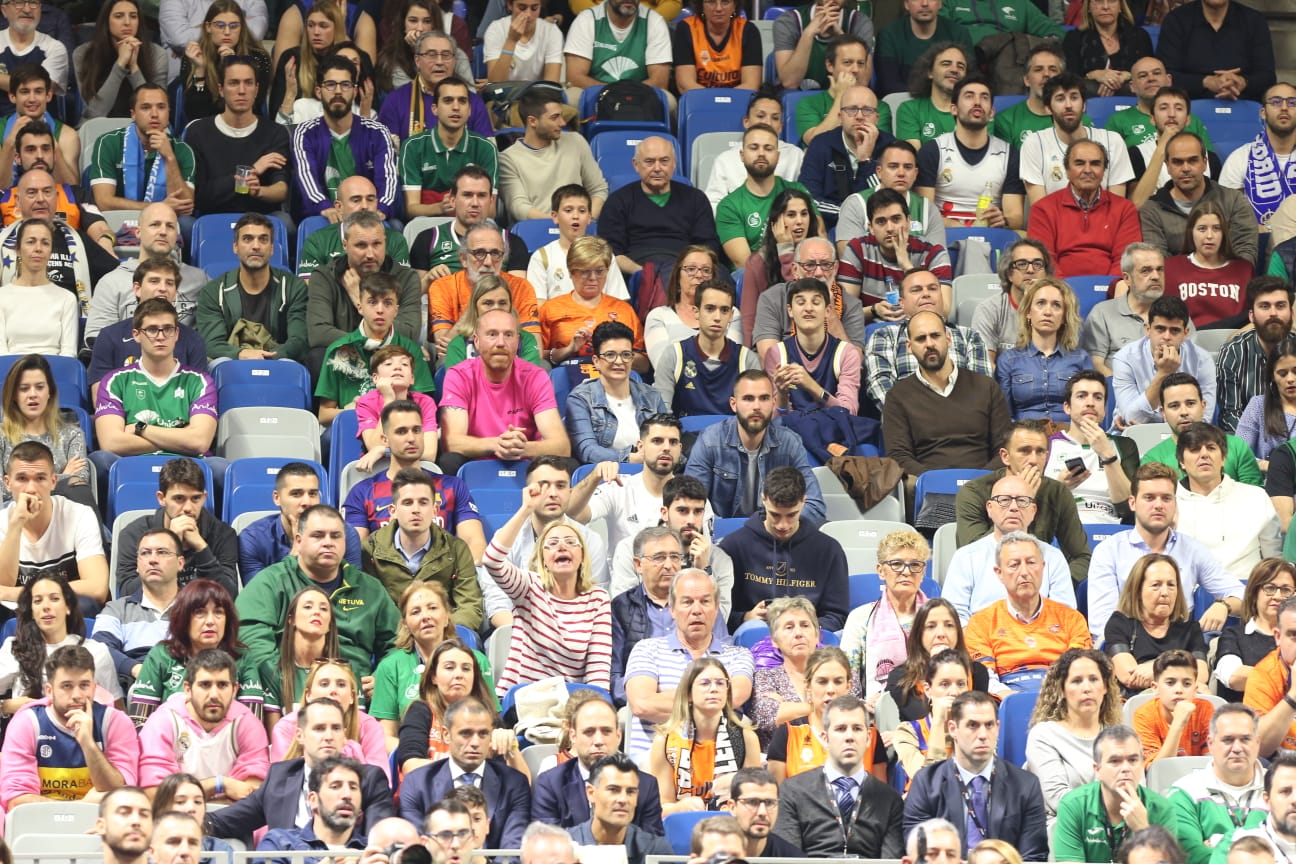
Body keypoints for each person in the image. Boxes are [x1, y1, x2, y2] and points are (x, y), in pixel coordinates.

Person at [235, 505, 401, 687]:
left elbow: (399, 643)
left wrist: (382, 678)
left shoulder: (370, 588)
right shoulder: (270, 582)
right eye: (318, 535)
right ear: (298, 541)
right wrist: (292, 682)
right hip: (286, 694)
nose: (328, 542)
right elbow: (250, 641)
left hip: (356, 695)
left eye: (336, 536)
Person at [1087, 462, 1244, 643]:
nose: (1159, 505)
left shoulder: (1192, 550)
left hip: (1179, 649)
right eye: (1149, 497)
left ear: (1175, 504)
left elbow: (1242, 594)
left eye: (1166, 498)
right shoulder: (1109, 551)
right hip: (1124, 645)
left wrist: (1224, 605)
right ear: (1132, 503)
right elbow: (1102, 623)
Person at [483, 484, 612, 696]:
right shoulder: (529, 587)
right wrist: (525, 509)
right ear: (542, 560)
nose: (562, 547)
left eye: (571, 542)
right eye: (552, 543)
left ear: (581, 557)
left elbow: (598, 671)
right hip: (520, 702)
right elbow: (492, 560)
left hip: (568, 704)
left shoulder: (597, 599)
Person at [623, 568, 753, 759]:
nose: (697, 610)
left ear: (716, 608)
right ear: (672, 609)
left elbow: (736, 696)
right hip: (654, 765)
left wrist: (666, 697)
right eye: (687, 602)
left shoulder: (738, 655)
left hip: (717, 765)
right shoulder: (647, 649)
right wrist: (711, 698)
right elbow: (642, 704)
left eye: (705, 602)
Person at [903, 690, 1049, 858]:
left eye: (989, 725)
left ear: (998, 728)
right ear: (953, 728)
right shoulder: (926, 783)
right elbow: (918, 854)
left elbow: (1033, 856)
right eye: (972, 725)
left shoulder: (1025, 785)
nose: (983, 735)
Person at [343, 399, 486, 560]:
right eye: (402, 431)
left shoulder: (453, 486)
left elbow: (475, 542)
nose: (411, 438)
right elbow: (355, 554)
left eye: (417, 430)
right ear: (385, 440)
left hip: (443, 580)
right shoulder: (362, 492)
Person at [768, 693, 903, 856]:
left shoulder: (889, 799)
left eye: (857, 728)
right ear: (824, 738)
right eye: (840, 729)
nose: (849, 737)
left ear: (868, 738)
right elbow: (787, 858)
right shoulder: (792, 792)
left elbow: (891, 860)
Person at [882, 310, 1012, 478]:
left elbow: (1004, 448)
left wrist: (977, 484)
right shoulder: (897, 396)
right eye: (921, 338)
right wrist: (937, 482)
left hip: (983, 487)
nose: (929, 344)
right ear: (909, 347)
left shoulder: (986, 387)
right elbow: (899, 456)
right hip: (928, 487)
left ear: (948, 339)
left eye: (935, 335)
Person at [684, 370, 825, 524]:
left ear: (773, 402)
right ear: (733, 404)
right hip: (722, 538)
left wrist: (774, 524)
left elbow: (814, 507)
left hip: (775, 537)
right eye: (748, 399)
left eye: (764, 398)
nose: (756, 406)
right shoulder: (710, 441)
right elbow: (691, 505)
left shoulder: (790, 443)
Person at [437, 309, 569, 473]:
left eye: (508, 335)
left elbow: (561, 446)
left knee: (568, 465)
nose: (501, 342)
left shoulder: (535, 376)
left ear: (517, 341)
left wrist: (522, 448)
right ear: (476, 341)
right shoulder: (459, 375)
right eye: (492, 334)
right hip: (476, 459)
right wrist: (497, 444)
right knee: (449, 461)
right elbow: (452, 442)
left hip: (525, 460)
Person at [963, 531, 1092, 694]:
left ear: (1043, 567)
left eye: (1031, 563)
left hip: (1062, 700)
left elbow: (1079, 671)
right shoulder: (981, 622)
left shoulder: (1071, 619)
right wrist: (1016, 702)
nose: (1024, 572)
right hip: (1004, 706)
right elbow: (986, 679)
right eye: (1014, 564)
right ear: (999, 573)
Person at [604, 474, 733, 636]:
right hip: (644, 642)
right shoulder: (631, 549)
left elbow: (719, 625)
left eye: (698, 512)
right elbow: (624, 615)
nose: (691, 520)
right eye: (683, 511)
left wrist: (703, 572)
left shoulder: (720, 561)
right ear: (664, 513)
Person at [126, 578, 265, 724]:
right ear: (183, 618)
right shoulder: (161, 655)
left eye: (218, 612)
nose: (210, 621)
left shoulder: (242, 657)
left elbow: (253, 723)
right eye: (200, 613)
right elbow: (140, 722)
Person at [136, 648, 269, 800]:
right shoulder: (164, 721)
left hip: (232, 820)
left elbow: (253, 791)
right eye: (205, 685)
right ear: (187, 688)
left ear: (234, 690)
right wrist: (219, 784)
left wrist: (184, 794)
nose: (214, 695)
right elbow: (154, 794)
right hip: (174, 819)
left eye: (222, 685)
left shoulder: (247, 723)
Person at [398, 697, 531, 848]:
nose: (475, 743)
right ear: (446, 735)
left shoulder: (514, 783)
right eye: (466, 734)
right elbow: (420, 848)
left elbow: (512, 851)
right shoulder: (417, 783)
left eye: (483, 734)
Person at [945, 475, 1077, 622]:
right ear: (989, 508)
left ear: (1033, 511)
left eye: (1022, 501)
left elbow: (1065, 616)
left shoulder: (1053, 557)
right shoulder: (966, 557)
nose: (1013, 507)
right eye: (1004, 500)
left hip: (1042, 640)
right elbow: (954, 617)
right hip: (981, 641)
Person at [371, 583, 494, 738]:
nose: (425, 616)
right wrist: (414, 752)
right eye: (416, 612)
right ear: (405, 624)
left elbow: (492, 725)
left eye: (433, 608)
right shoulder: (390, 666)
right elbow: (386, 737)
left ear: (447, 617)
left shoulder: (476, 660)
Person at [360, 467, 480, 622]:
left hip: (443, 636)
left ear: (435, 509)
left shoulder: (457, 549)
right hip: (390, 639)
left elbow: (470, 606)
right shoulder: (370, 550)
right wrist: (404, 634)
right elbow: (368, 607)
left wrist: (440, 631)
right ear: (393, 511)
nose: (416, 510)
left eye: (423, 503)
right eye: (408, 503)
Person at [314, 273, 433, 428]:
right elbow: (324, 415)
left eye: (388, 303)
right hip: (353, 426)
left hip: (399, 427)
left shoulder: (411, 350)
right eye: (372, 302)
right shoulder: (339, 350)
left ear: (396, 310)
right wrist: (352, 412)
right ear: (360, 307)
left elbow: (422, 409)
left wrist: (373, 408)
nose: (380, 310)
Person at [1051, 725, 1184, 862]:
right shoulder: (1073, 805)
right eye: (1115, 761)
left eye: (1133, 760)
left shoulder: (1162, 809)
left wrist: (1143, 831)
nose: (1126, 768)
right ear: (1097, 769)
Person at [533, 695, 664, 832]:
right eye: (589, 732)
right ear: (573, 736)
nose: (598, 741)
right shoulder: (550, 783)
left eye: (606, 731)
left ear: (618, 736)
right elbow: (547, 843)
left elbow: (654, 846)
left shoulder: (646, 785)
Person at [0, 444, 108, 610]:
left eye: (40, 478)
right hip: (16, 614)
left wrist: (18, 593)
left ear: (53, 481)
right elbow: (3, 583)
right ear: (8, 483)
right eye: (22, 478)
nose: (31, 489)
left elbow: (98, 588)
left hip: (65, 613)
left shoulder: (79, 515)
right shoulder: (3, 522)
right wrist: (15, 526)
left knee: (86, 605)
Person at [598, 137, 721, 281]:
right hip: (638, 268)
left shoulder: (695, 198)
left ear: (674, 164)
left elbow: (708, 246)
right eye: (649, 162)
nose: (657, 168)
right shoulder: (617, 201)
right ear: (636, 165)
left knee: (722, 278)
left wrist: (691, 271)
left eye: (664, 161)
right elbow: (611, 253)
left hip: (688, 266)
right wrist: (643, 273)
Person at [290, 56, 396, 222]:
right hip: (323, 215)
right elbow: (306, 177)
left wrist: (382, 209)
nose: (338, 91)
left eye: (345, 85)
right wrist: (324, 207)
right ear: (319, 91)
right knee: (312, 223)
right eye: (330, 84)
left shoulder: (377, 132)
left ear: (354, 91)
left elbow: (388, 179)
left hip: (367, 214)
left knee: (394, 226)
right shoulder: (305, 133)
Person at [648, 655, 760, 813]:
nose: (714, 688)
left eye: (721, 683)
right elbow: (660, 808)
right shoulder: (665, 740)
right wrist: (680, 807)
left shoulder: (746, 737)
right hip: (684, 827)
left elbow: (754, 800)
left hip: (730, 827)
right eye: (705, 683)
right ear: (688, 694)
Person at [113, 457, 237, 598]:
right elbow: (128, 593)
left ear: (204, 497)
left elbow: (229, 596)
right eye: (179, 499)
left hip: (202, 613)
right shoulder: (134, 533)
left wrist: (202, 549)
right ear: (161, 498)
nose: (188, 508)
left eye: (196, 498)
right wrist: (168, 546)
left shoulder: (223, 534)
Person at [1174, 421, 1282, 582]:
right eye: (1195, 449)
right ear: (1182, 462)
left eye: (1211, 448)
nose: (1204, 454)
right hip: (1186, 593)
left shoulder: (1255, 497)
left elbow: (1273, 561)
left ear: (1223, 458)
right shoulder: (1167, 503)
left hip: (1246, 592)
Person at [183, 56, 290, 219]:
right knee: (185, 224)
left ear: (256, 89)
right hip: (213, 218)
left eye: (248, 83)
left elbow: (281, 189)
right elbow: (199, 195)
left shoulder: (275, 133)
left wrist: (259, 191)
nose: (242, 90)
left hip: (260, 220)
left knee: (285, 222)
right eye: (234, 83)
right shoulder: (198, 132)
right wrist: (250, 172)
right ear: (221, 89)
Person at [88, 256, 206, 400]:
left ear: (175, 293)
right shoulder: (109, 336)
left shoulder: (193, 339)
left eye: (169, 283)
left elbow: (199, 398)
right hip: (122, 420)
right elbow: (100, 399)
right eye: (154, 281)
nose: (163, 288)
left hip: (179, 420)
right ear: (137, 289)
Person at [1025, 648, 1123, 821]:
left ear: (1105, 687)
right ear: (1061, 690)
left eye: (1094, 679)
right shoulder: (1043, 735)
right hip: (1066, 829)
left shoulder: (1119, 737)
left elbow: (1136, 793)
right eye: (1077, 681)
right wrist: (1113, 808)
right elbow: (1059, 799)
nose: (1087, 688)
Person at [865, 266, 987, 404]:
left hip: (965, 419)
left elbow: (981, 388)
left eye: (933, 288)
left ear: (942, 297)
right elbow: (880, 386)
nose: (926, 294)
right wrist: (919, 416)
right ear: (902, 303)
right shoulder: (885, 336)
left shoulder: (969, 336)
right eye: (916, 290)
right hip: (906, 420)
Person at [195, 214, 308, 363]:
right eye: (248, 239)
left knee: (289, 364)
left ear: (272, 248)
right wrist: (241, 354)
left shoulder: (294, 287)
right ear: (235, 246)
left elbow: (299, 340)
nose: (256, 246)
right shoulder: (213, 291)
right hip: (232, 363)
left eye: (263, 239)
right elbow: (211, 344)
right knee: (219, 362)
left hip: (278, 362)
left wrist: (269, 356)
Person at [916, 74, 1025, 228]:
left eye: (984, 97)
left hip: (990, 234)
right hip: (944, 235)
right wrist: (961, 229)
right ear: (953, 109)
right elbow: (923, 214)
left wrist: (1004, 220)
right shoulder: (933, 150)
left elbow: (1016, 218)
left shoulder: (1010, 155)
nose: (977, 102)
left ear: (992, 112)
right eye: (969, 96)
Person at [1166, 703, 1269, 864]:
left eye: (1245, 739)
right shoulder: (1184, 793)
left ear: (1257, 742)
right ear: (1210, 744)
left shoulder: (1282, 789)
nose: (1237, 748)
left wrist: (1216, 843)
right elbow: (1190, 857)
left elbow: (1287, 850)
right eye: (1228, 740)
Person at [0, 168, 119, 306]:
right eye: (32, 193)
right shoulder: (2, 244)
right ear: (18, 201)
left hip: (72, 321)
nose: (41, 199)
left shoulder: (81, 241)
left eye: (47, 192)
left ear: (56, 198)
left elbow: (117, 278)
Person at [0, 576, 120, 710]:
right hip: (27, 727)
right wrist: (5, 706)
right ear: (32, 611)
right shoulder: (15, 648)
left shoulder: (96, 651)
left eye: (54, 599)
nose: (46, 606)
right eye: (38, 601)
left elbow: (117, 710)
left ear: (68, 607)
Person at [1027, 139, 1142, 278]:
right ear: (1067, 170)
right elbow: (1044, 259)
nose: (1087, 170)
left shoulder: (1124, 209)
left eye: (1095, 164)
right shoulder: (1043, 209)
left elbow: (1126, 258)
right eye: (1079, 163)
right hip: (1059, 291)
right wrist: (1063, 291)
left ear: (1104, 170)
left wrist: (1111, 288)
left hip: (1112, 290)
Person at [838, 529, 929, 701]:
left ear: (923, 572)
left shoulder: (939, 616)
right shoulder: (860, 618)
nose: (907, 572)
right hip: (875, 712)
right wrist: (862, 707)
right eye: (896, 564)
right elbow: (847, 680)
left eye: (915, 565)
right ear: (880, 571)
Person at [428, 221, 540, 360]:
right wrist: (475, 310)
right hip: (464, 361)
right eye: (479, 253)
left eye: (495, 253)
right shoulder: (442, 287)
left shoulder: (521, 287)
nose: (488, 262)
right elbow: (444, 351)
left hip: (510, 361)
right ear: (463, 259)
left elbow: (535, 349)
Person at [1139, 130, 1257, 261]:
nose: (1185, 168)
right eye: (1178, 162)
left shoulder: (1233, 201)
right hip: (1176, 281)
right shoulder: (1151, 211)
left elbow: (1246, 253)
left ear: (1205, 163)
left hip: (1227, 279)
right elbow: (1158, 262)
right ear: (1167, 166)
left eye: (1193, 160)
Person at [1020, 73, 1136, 203]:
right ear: (1048, 109)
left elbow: (1116, 205)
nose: (1068, 105)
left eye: (1074, 98)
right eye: (1060, 99)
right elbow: (1040, 209)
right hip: (1054, 222)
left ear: (1084, 106)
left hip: (1103, 222)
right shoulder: (1034, 144)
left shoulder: (1113, 141)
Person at [497, 90, 607, 224]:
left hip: (579, 229)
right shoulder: (508, 158)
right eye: (554, 117)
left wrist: (587, 219)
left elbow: (598, 190)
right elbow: (519, 207)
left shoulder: (576, 141)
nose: (562, 123)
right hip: (536, 231)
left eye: (561, 116)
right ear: (532, 121)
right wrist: (561, 223)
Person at [1105, 554, 1210, 694]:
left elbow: (1201, 675)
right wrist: (1183, 675)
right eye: (1156, 585)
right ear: (1137, 590)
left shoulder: (1190, 628)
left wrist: (1153, 668)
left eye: (1171, 585)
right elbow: (1129, 676)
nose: (1165, 592)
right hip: (1137, 702)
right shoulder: (1120, 623)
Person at [239, 462, 362, 582]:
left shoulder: (343, 533)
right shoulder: (253, 538)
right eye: (296, 494)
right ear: (277, 498)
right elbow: (259, 594)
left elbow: (354, 587)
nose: (306, 502)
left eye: (313, 494)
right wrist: (294, 556)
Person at [655, 280, 761, 417]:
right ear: (696, 312)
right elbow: (661, 415)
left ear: (731, 316)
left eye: (724, 310)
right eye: (710, 309)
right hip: (685, 437)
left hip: (732, 437)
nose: (717, 317)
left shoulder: (747, 360)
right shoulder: (674, 355)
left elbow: (754, 415)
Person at [92, 527, 182, 689]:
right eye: (145, 553)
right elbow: (100, 648)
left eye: (162, 552)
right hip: (134, 682)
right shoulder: (117, 609)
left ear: (180, 563)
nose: (152, 559)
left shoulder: (197, 608)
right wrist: (139, 670)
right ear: (137, 564)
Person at [539, 237, 645, 372]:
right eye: (585, 271)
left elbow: (644, 364)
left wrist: (612, 352)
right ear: (571, 272)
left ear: (607, 271)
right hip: (565, 381)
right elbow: (535, 358)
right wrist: (569, 349)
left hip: (614, 382)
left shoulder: (624, 310)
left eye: (599, 271)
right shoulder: (551, 309)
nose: (593, 278)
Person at [717, 124, 817, 269]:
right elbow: (746, 265)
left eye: (768, 148)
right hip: (758, 279)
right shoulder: (729, 206)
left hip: (804, 272)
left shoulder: (798, 191)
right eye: (754, 148)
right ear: (742, 155)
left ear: (777, 156)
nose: (761, 153)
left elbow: (819, 237)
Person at [838, 189, 952, 314]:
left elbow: (944, 312)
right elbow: (844, 313)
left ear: (908, 222)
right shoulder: (857, 250)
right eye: (881, 222)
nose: (890, 228)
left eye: (896, 219)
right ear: (871, 227)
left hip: (921, 328)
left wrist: (907, 266)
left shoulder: (934, 253)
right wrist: (874, 310)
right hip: (872, 328)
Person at [994, 279, 1093, 421]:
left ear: (1064, 317)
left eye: (1056, 305)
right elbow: (1005, 416)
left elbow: (1089, 410)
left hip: (1069, 435)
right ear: (1028, 312)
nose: (1048, 312)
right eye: (1040, 303)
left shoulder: (1081, 358)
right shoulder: (1008, 360)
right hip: (1025, 437)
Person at [766, 645, 869, 781]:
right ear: (808, 685)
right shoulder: (788, 733)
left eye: (838, 681)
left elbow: (880, 795)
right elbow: (776, 797)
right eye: (822, 682)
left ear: (848, 686)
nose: (830, 689)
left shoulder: (869, 735)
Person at [87, 85, 193, 217]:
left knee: (187, 225)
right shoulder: (108, 143)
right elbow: (104, 202)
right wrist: (158, 207)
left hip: (165, 223)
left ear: (168, 112)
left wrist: (170, 158)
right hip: (119, 219)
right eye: (146, 107)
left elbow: (185, 205)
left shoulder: (182, 150)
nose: (154, 114)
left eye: (161, 107)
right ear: (133, 114)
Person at [565, 324, 665, 463]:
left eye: (625, 355)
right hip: (603, 477)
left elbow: (668, 440)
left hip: (650, 473)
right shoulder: (581, 398)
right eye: (610, 355)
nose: (619, 361)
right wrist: (632, 458)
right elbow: (587, 451)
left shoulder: (652, 396)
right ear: (596, 361)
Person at [762, 278, 862, 415]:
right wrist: (782, 394)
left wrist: (812, 386)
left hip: (834, 432)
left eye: (815, 302)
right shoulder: (777, 354)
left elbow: (849, 412)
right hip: (791, 433)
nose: (808, 308)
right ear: (790, 311)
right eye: (801, 302)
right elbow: (776, 421)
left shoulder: (846, 353)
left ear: (828, 310)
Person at [1141, 373, 1263, 485]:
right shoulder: (1154, 459)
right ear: (1163, 412)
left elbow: (1255, 498)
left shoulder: (1237, 447)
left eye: (1190, 403)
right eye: (1174, 406)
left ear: (1203, 406)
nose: (1184, 412)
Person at [799, 85, 898, 224]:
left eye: (867, 110)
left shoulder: (890, 147)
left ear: (877, 118)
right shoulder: (821, 144)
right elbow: (809, 198)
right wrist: (850, 214)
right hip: (831, 226)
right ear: (840, 117)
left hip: (879, 226)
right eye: (851, 110)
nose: (859, 116)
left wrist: (866, 161)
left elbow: (890, 200)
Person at [268, 660, 387, 774]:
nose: (333, 690)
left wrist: (349, 750)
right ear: (308, 695)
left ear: (352, 696)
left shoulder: (369, 727)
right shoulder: (286, 727)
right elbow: (280, 783)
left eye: (341, 684)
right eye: (324, 684)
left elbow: (380, 782)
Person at [0, 353, 88, 507]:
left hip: (62, 511)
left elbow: (79, 484)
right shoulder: (2, 436)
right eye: (24, 389)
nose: (33, 395)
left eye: (39, 387)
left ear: (49, 392)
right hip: (13, 513)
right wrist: (64, 476)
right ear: (13, 395)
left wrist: (20, 483)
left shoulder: (73, 435)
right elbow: (2, 490)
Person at [1113, 295, 1215, 425]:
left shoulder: (1203, 360)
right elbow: (1132, 418)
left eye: (1175, 331)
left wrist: (1151, 428)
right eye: (1160, 329)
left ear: (1186, 333)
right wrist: (1164, 373)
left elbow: (1204, 418)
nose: (1166, 337)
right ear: (1148, 330)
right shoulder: (1124, 358)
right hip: (1133, 438)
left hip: (1186, 438)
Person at [886, 598, 993, 721]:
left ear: (958, 633)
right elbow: (924, 721)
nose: (941, 633)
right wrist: (937, 667)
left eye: (949, 625)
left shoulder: (977, 673)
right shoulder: (900, 678)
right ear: (919, 634)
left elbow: (976, 720)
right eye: (931, 626)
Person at [752, 598, 841, 742]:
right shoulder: (766, 677)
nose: (798, 633)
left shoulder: (840, 673)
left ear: (817, 635)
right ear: (774, 640)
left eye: (805, 625)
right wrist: (828, 706)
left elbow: (851, 712)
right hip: (782, 758)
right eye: (789, 627)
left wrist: (788, 709)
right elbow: (766, 716)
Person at [256, 755, 370, 863]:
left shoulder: (371, 851)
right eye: (335, 786)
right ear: (313, 800)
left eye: (353, 787)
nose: (347, 795)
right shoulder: (280, 844)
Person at [705, 88, 805, 210]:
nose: (768, 122)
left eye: (775, 118)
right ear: (746, 121)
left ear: (781, 126)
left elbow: (805, 200)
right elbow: (714, 203)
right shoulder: (725, 159)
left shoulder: (795, 155)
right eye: (760, 116)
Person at [173, 1, 271, 123]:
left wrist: (233, 67)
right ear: (208, 27)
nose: (227, 32)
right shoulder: (194, 57)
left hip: (246, 127)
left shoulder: (258, 58)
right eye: (220, 25)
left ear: (242, 27)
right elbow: (195, 115)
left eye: (234, 26)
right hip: (205, 131)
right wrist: (200, 70)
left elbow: (252, 107)